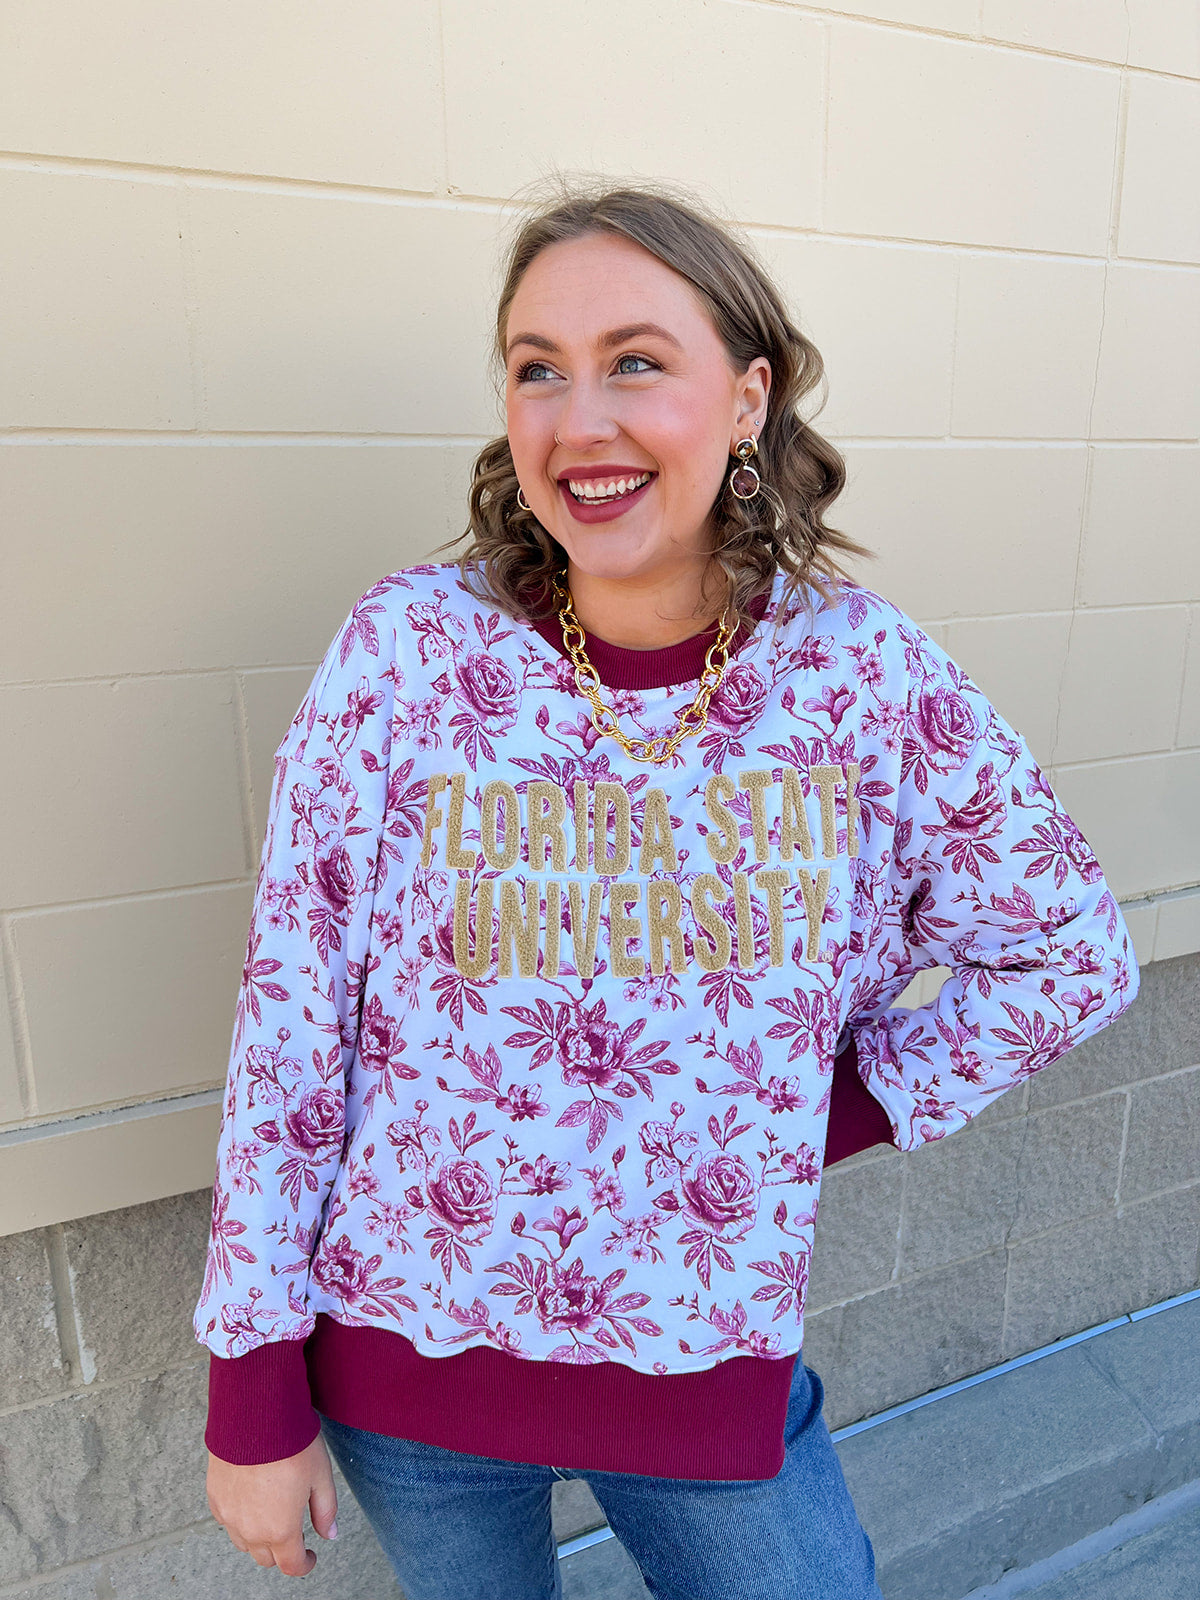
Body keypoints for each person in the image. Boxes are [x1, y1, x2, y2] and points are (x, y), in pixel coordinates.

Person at [195, 180, 1139, 1599]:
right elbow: (292, 1024)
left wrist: (807, 1111)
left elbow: (1070, 951)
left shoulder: (860, 679)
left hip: (700, 1366)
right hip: (405, 1371)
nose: (580, 419)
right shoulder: (405, 654)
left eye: (635, 361)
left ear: (748, 398)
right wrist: (252, 1393)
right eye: (538, 369)